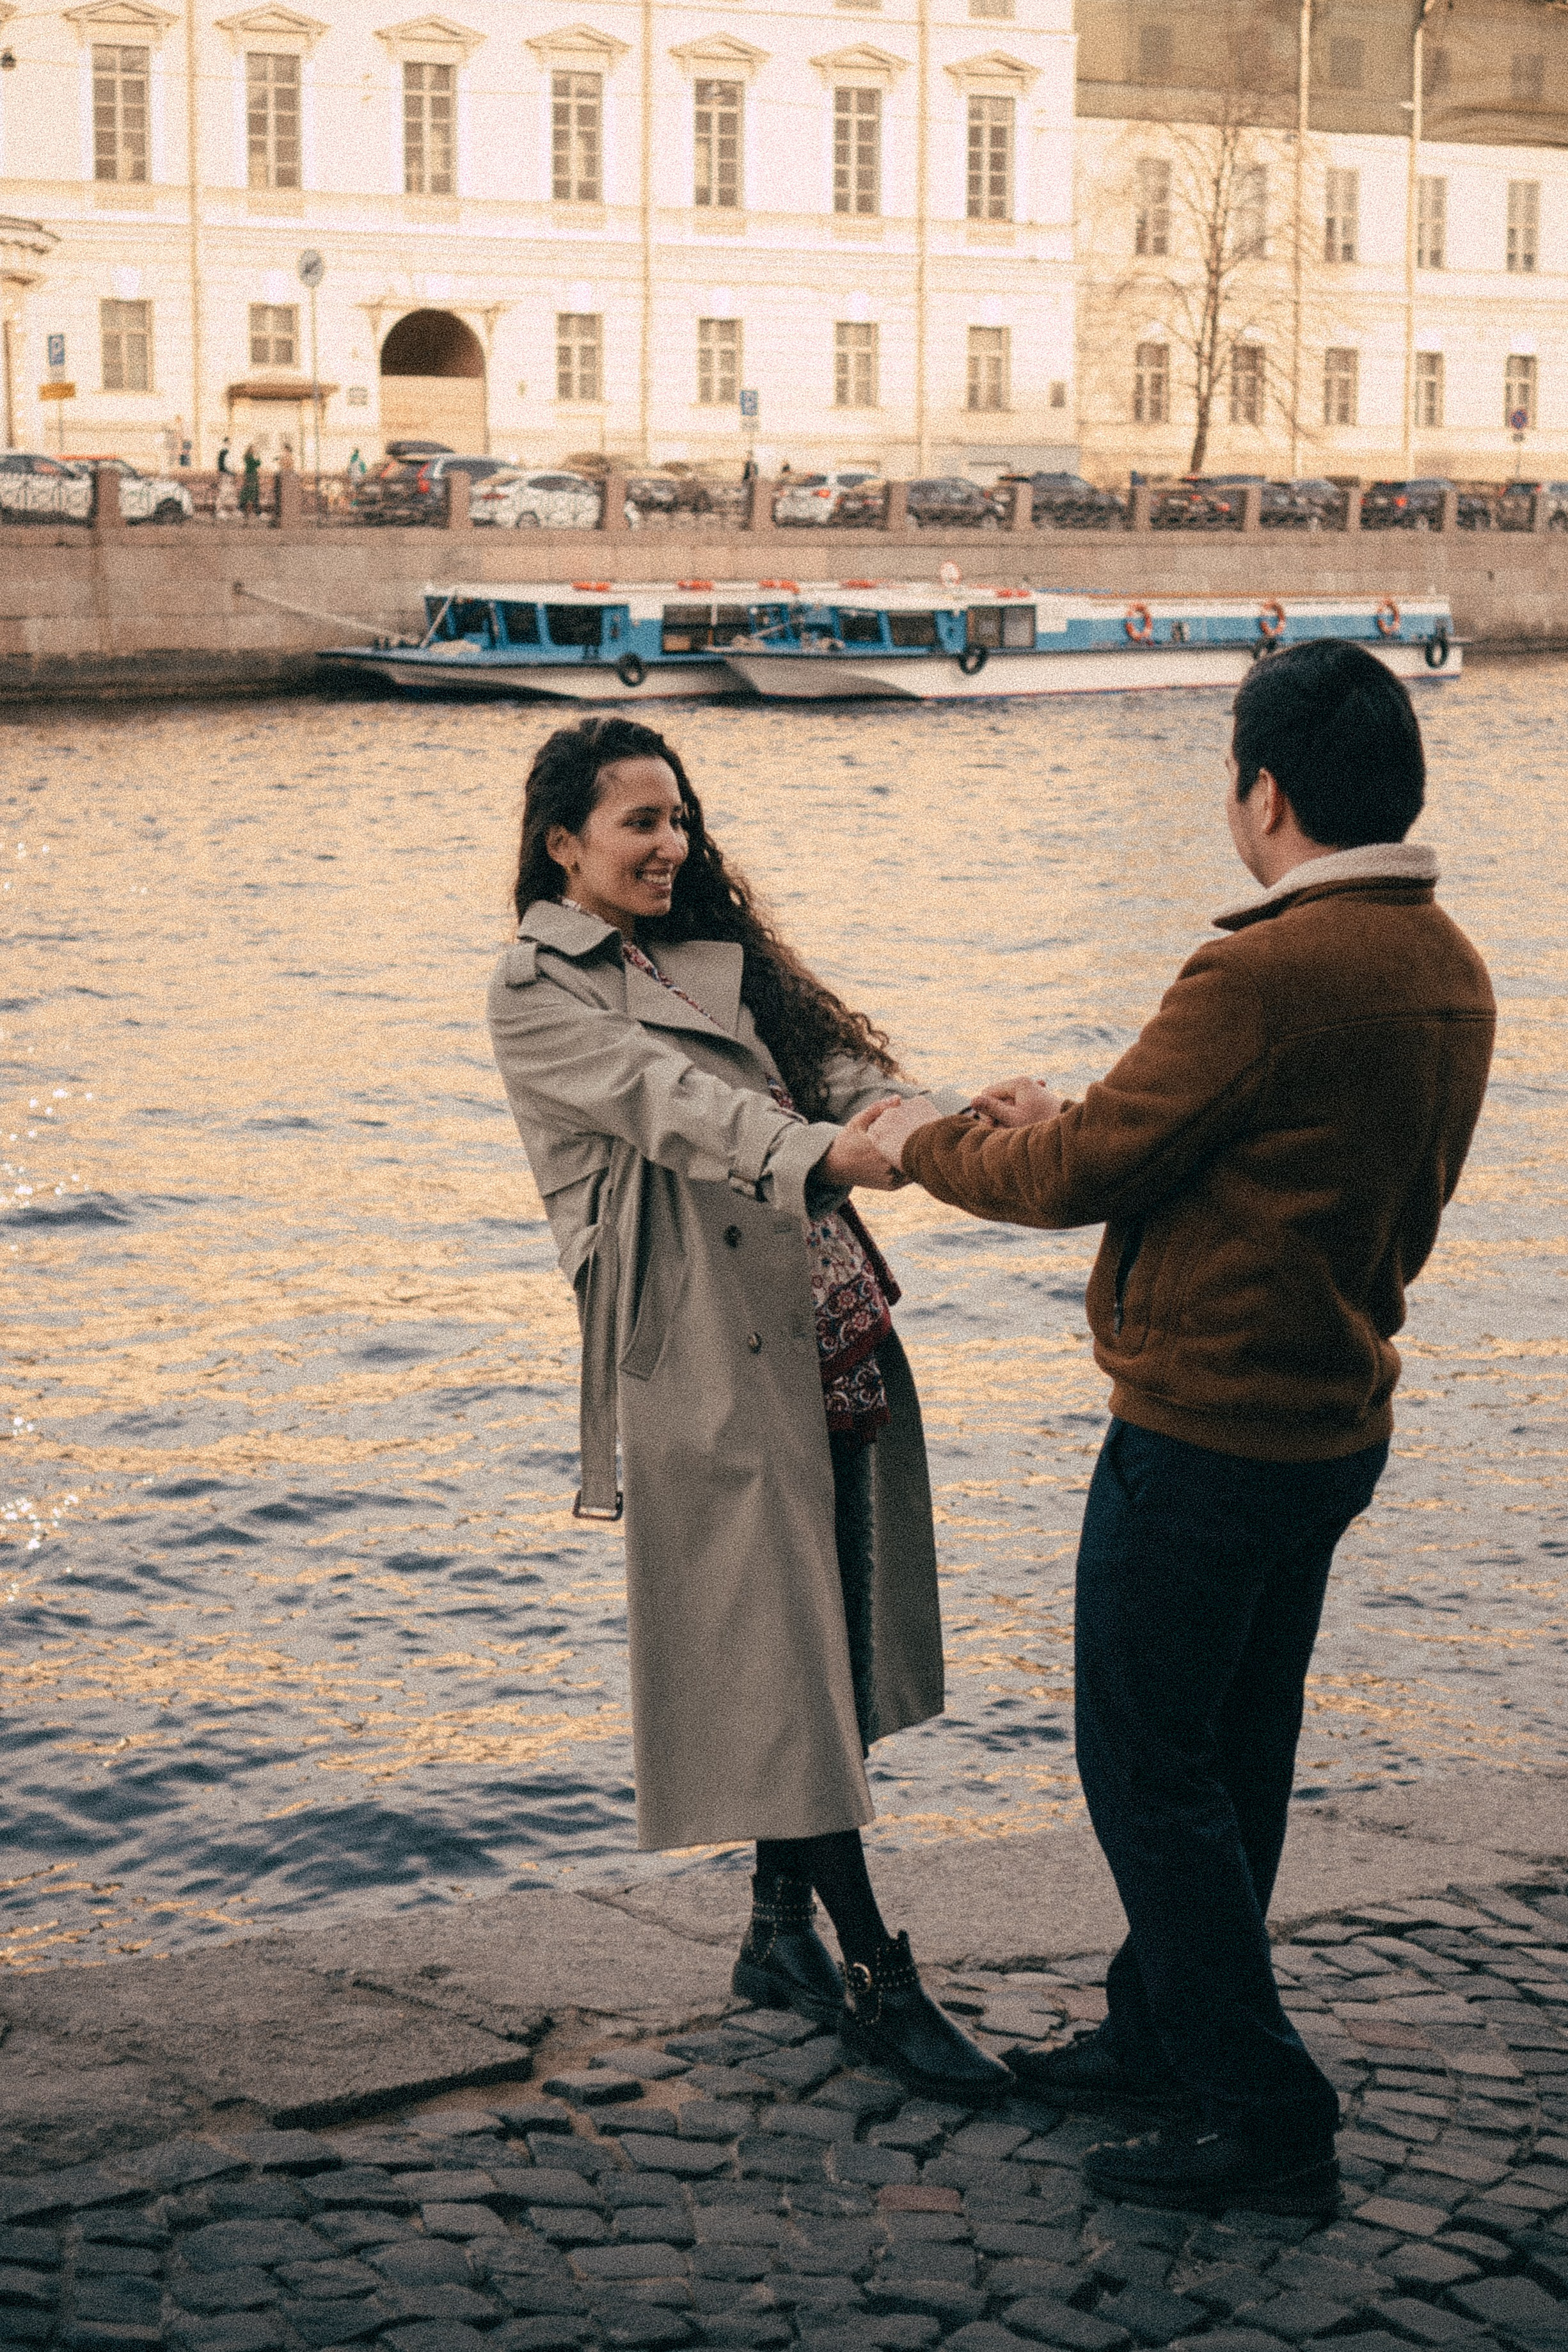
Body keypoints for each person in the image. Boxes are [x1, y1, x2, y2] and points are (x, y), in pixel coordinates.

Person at [866, 641, 1495, 2210]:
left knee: (1145, 1764)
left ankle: (1262, 2105)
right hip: (1332, 1417)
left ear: (1263, 790)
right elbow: (1270, 1156)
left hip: (1206, 1432)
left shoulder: (1260, 972)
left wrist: (920, 1140)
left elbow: (1074, 1181)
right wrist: (1074, 1111)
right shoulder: (1447, 964)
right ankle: (1157, 2030)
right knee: (1238, 1753)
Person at [487, 715, 1010, 2102]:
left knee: (816, 1646)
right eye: (639, 822)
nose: (670, 843)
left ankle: (776, 1940)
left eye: (679, 818)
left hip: (823, 1320)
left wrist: (958, 1116)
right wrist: (830, 1151)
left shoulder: (724, 957)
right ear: (563, 844)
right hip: (706, 1360)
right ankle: (879, 1975)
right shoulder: (535, 991)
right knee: (785, 1660)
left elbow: (838, 1073)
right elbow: (677, 1110)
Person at [238, 444, 262, 516]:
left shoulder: (248, 457)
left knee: (248, 492)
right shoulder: (250, 457)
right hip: (252, 476)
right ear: (250, 450)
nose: (254, 450)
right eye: (253, 449)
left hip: (250, 476)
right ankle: (256, 511)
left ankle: (242, 509)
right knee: (252, 492)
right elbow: (257, 464)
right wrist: (258, 457)